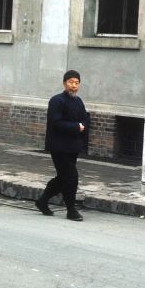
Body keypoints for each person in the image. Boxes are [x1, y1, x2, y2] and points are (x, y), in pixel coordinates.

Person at [35, 70, 89, 221]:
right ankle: (71, 210)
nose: (74, 86)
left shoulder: (78, 101)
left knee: (63, 177)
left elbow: (85, 118)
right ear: (64, 83)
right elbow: (56, 122)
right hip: (59, 146)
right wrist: (76, 127)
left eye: (77, 83)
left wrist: (83, 125)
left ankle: (42, 201)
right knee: (71, 176)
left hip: (73, 146)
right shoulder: (56, 100)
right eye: (71, 82)